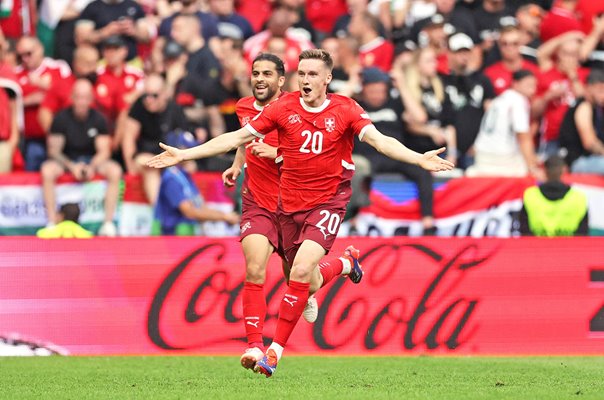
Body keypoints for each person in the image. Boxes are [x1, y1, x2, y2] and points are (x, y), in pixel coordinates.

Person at [147, 49, 454, 377]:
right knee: (308, 280)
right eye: (302, 74)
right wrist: (185, 154)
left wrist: (417, 158)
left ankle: (273, 351)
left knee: (301, 270)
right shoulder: (283, 107)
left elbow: (380, 141)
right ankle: (345, 263)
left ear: (327, 79)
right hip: (288, 206)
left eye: (312, 75)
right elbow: (237, 137)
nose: (306, 80)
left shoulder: (346, 109)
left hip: (328, 202)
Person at [222, 52, 363, 370]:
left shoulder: (291, 108)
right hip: (259, 201)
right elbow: (245, 139)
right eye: (256, 73)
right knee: (255, 269)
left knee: (304, 280)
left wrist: (277, 152)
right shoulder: (245, 107)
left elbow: (312, 154)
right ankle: (256, 347)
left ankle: (342, 265)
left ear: (281, 80)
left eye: (267, 74)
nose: (260, 79)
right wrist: (236, 165)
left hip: (295, 203)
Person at [40, 79, 122, 236]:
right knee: (47, 170)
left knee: (115, 170)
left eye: (85, 97)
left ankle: (108, 223)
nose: (81, 102)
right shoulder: (61, 119)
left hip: (92, 160)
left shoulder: (99, 119)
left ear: (91, 99)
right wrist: (72, 166)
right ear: (71, 97)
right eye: (78, 97)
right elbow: (54, 151)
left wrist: (91, 166)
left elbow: (104, 151)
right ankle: (51, 222)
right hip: (67, 159)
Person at [153, 130, 239, 235]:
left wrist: (226, 215)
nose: (192, 153)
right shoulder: (171, 178)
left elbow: (201, 207)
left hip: (185, 236)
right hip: (171, 236)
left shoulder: (184, 175)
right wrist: (224, 217)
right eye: (188, 148)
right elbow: (189, 212)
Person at [466, 69, 541, 177]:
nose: (533, 90)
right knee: (527, 171)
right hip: (502, 157)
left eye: (534, 86)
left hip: (482, 154)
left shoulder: (499, 99)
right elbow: (523, 137)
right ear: (515, 84)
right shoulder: (518, 100)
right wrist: (532, 167)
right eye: (528, 85)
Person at [519, 155, 589, 236]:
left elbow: (524, 232)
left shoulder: (530, 196)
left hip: (538, 247)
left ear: (544, 170)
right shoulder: (578, 198)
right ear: (564, 170)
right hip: (569, 247)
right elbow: (583, 235)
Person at [559, 68, 604, 174]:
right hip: (578, 161)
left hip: (589, 159)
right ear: (589, 87)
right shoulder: (584, 106)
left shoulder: (595, 108)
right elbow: (590, 143)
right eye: (601, 90)